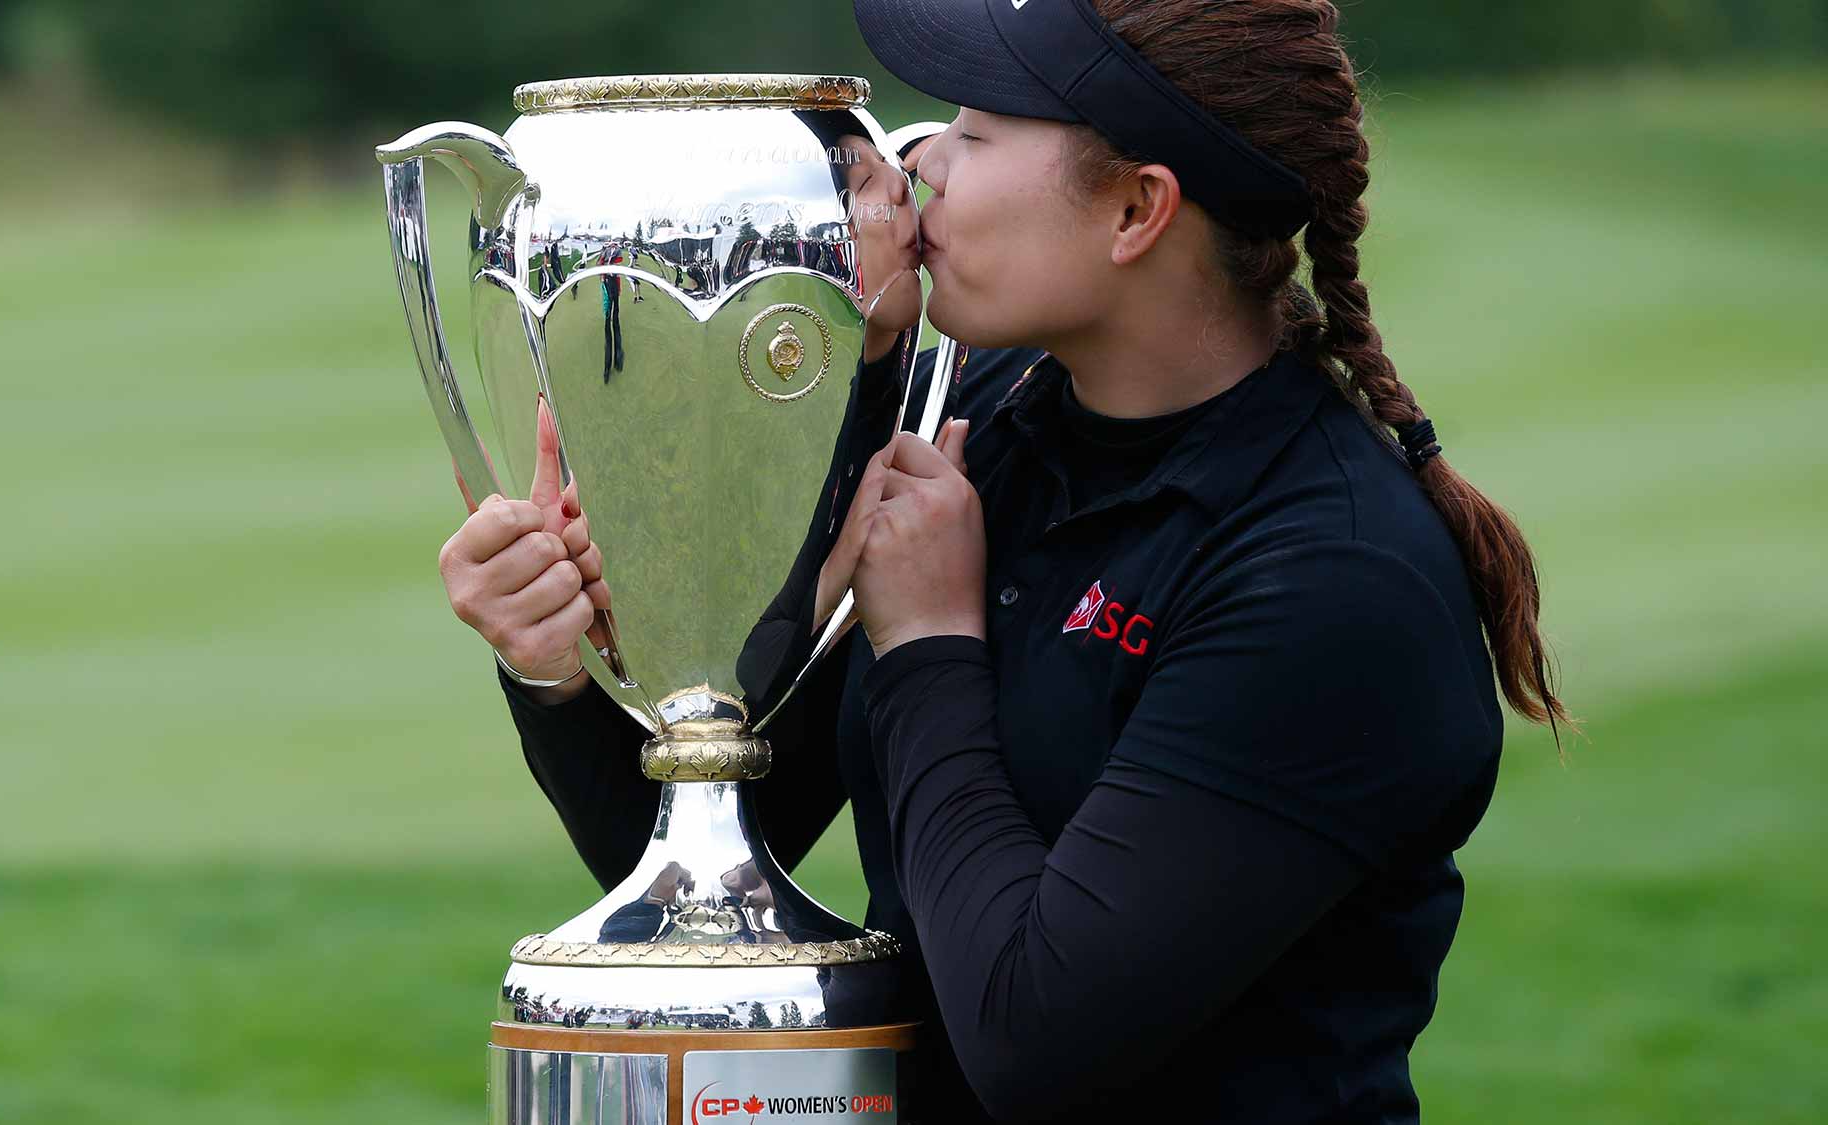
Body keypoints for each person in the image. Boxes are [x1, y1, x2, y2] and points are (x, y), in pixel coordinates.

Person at [434, 0, 1575, 1120]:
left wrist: (930, 644)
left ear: (1135, 209)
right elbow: (716, 866)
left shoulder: (1329, 577)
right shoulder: (973, 426)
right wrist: (554, 670)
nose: (921, 160)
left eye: (978, 130)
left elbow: (1034, 1043)